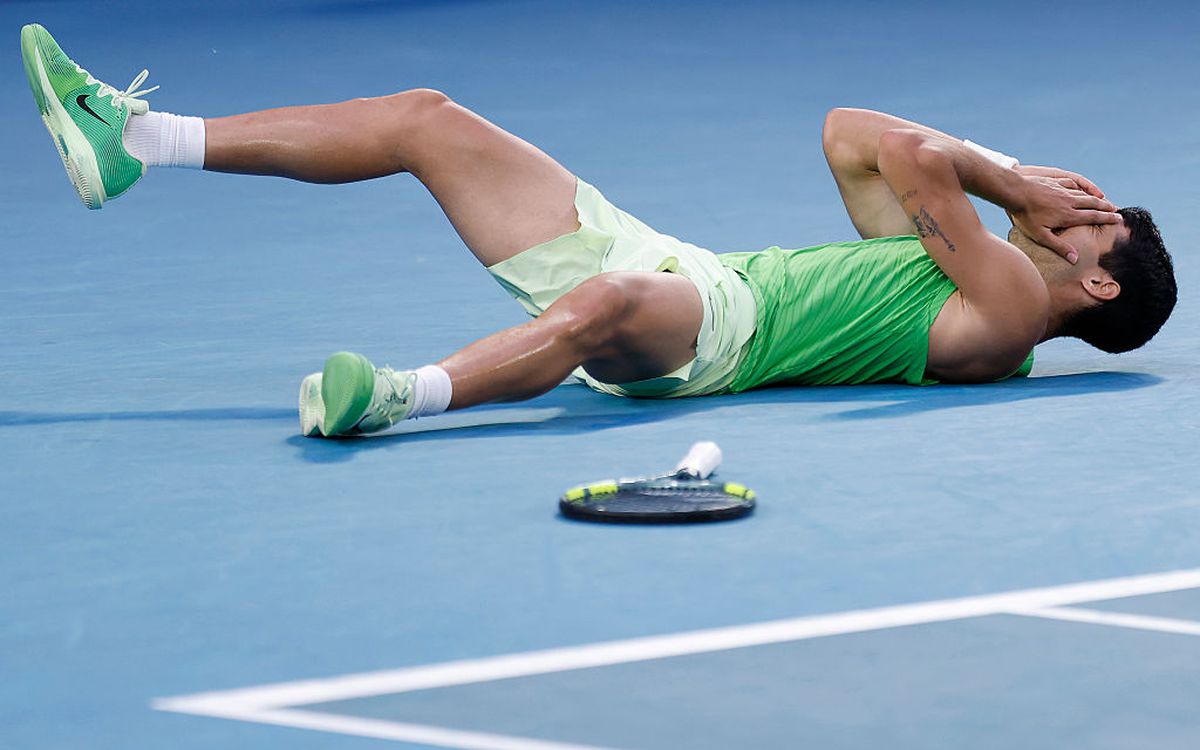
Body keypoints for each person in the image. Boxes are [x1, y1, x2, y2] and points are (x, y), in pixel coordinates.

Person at [21, 24, 1177, 439]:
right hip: (690, 263)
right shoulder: (958, 273)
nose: (1072, 208)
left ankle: (397, 396)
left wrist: (1010, 178)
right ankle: (145, 141)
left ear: (1099, 290)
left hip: (715, 343)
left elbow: (923, 157)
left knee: (609, 309)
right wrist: (1013, 189)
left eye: (1092, 221)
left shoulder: (1012, 308)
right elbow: (851, 135)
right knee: (429, 120)